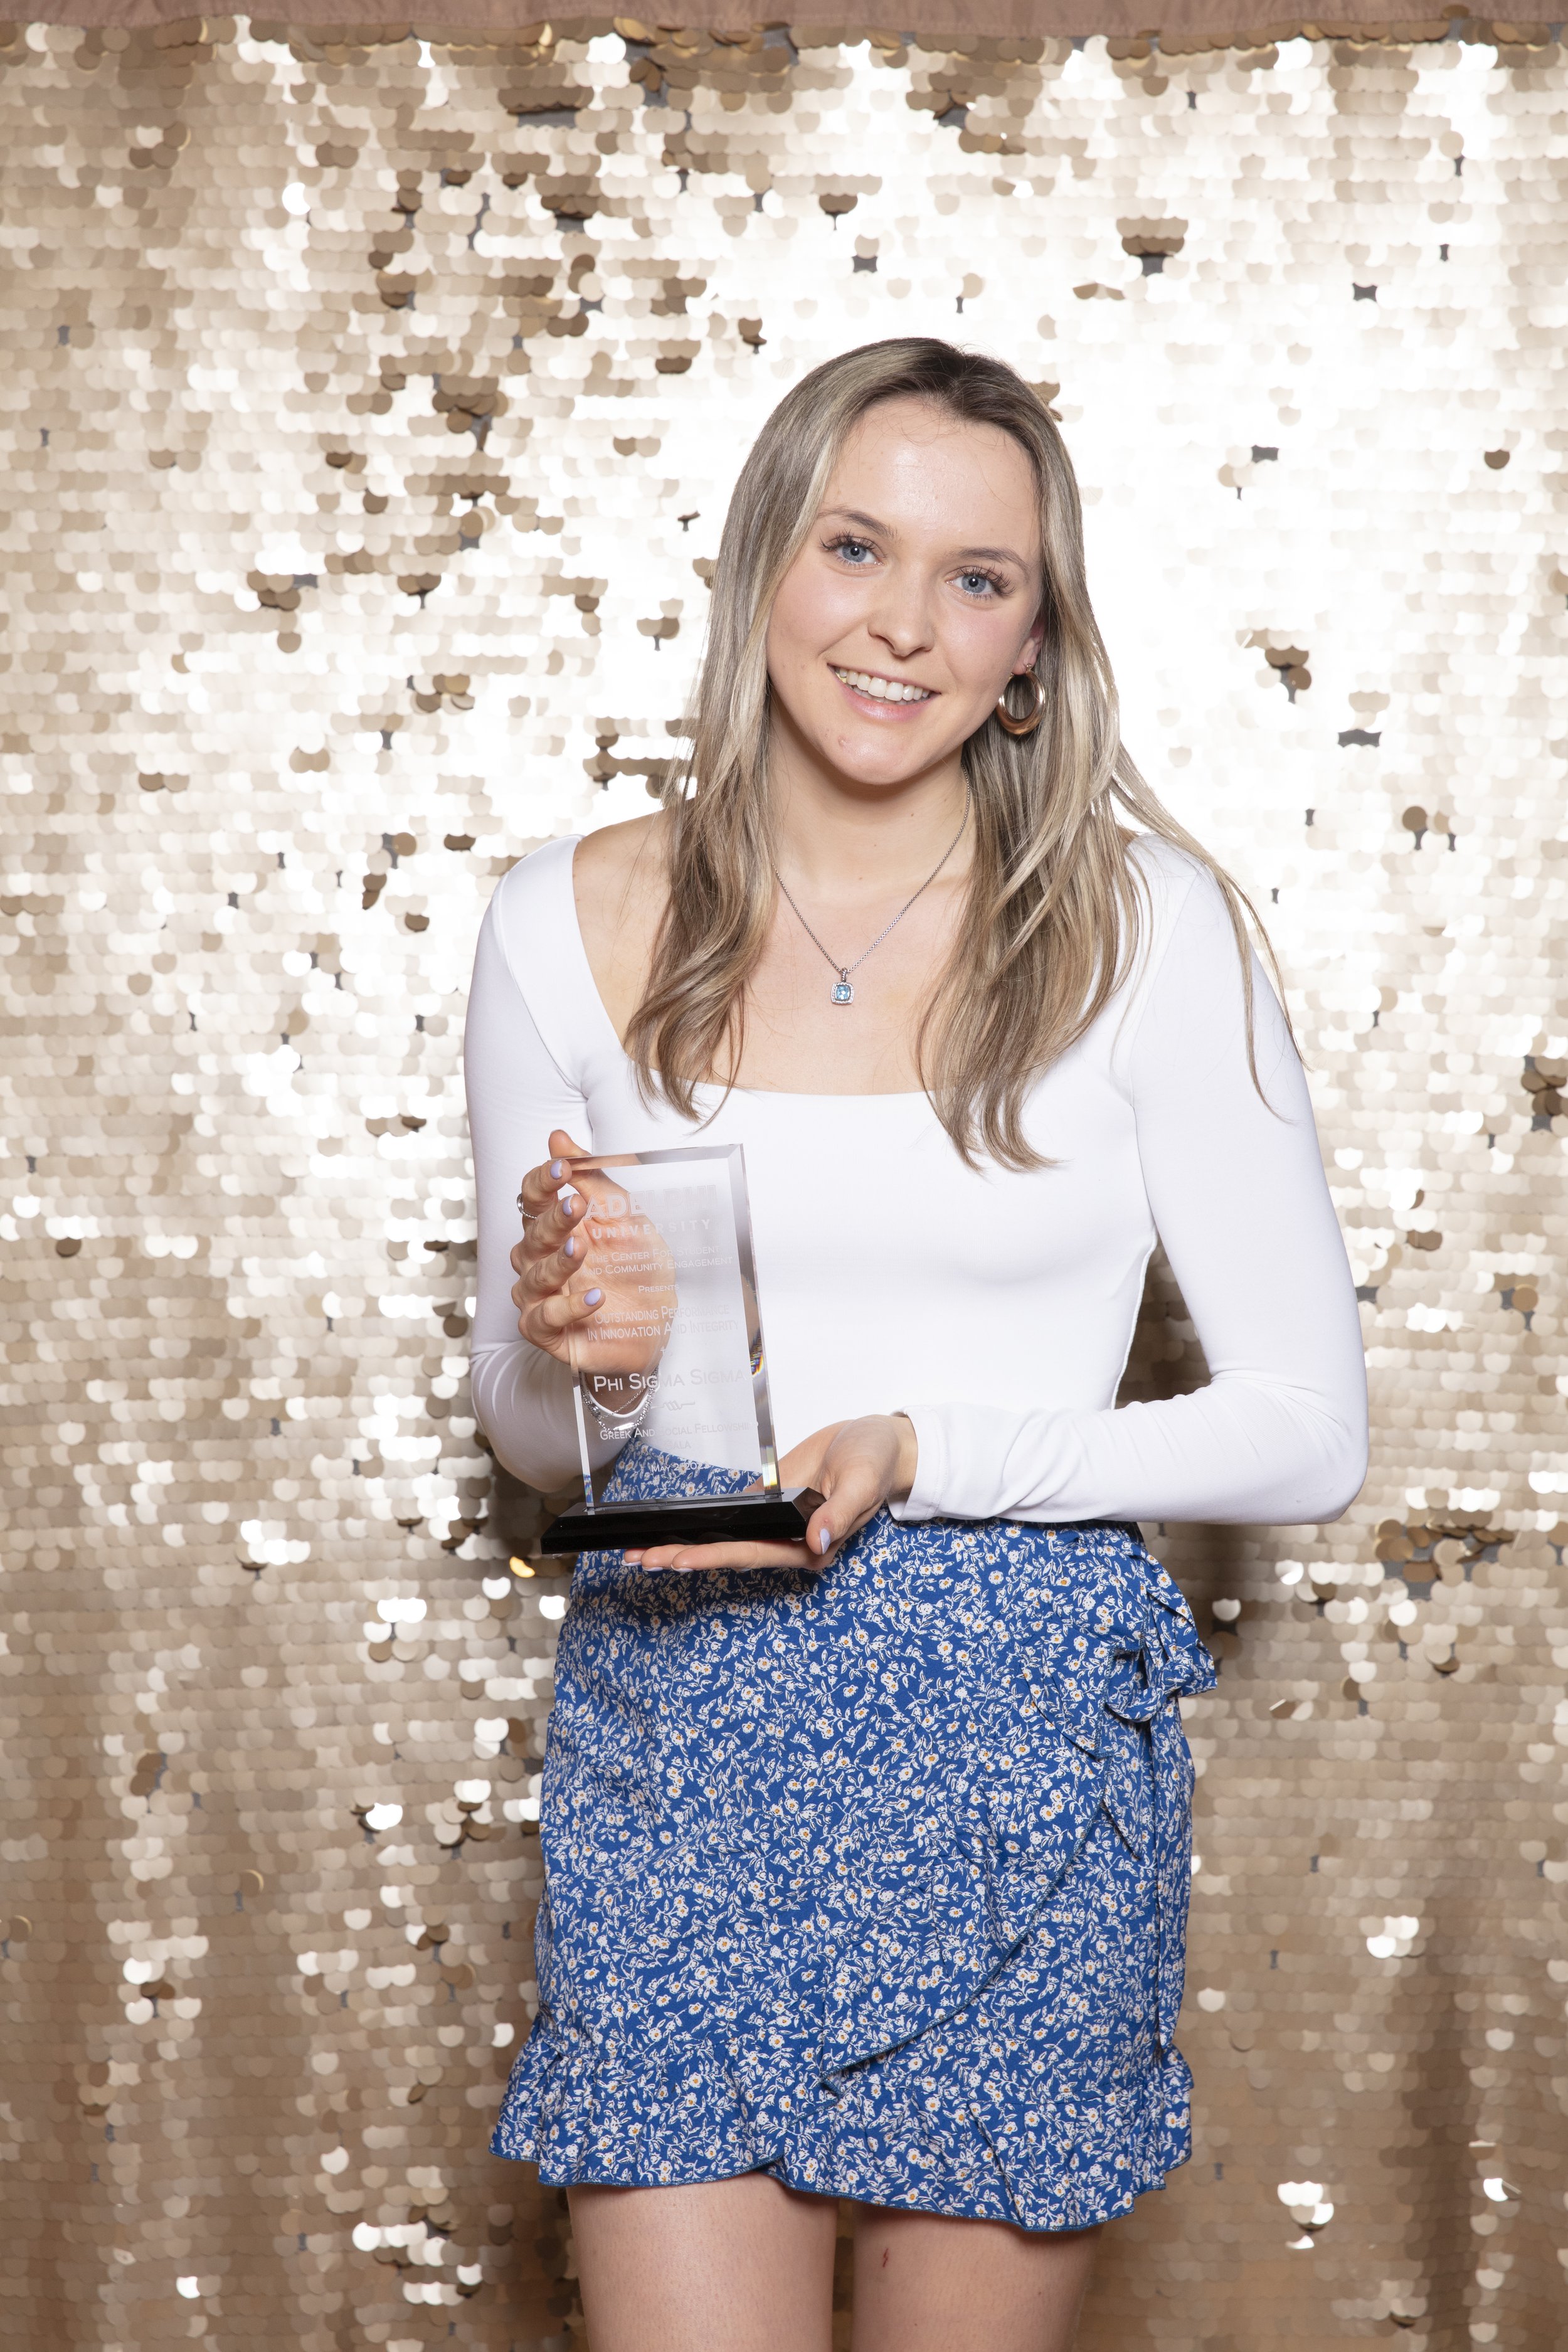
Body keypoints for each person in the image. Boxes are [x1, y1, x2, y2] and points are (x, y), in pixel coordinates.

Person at [464, 338, 1367, 2352]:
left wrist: (921, 1444)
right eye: (856, 546)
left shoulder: (1146, 928)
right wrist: (584, 1359)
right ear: (762, 563)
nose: (902, 623)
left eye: (977, 578)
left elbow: (1306, 1434)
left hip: (1015, 1755)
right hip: (682, 1737)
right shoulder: (563, 919)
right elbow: (535, 1436)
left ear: (1033, 644)